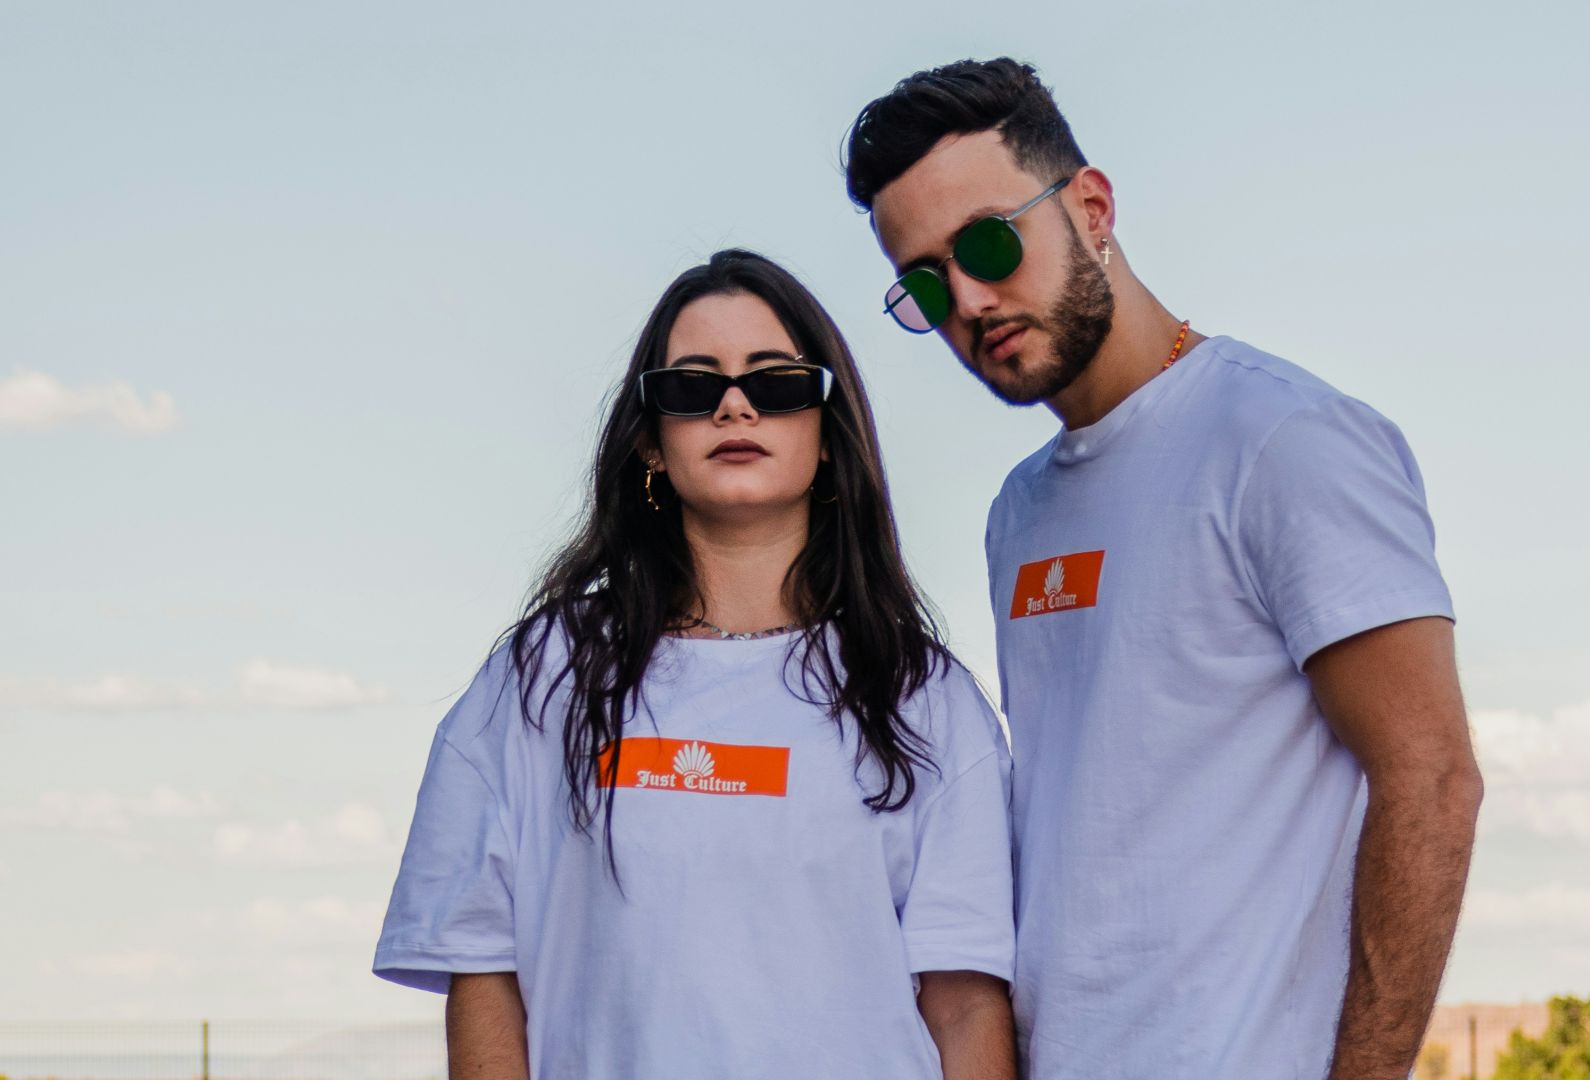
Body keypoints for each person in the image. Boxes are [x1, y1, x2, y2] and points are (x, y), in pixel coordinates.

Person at [844, 59, 1483, 1079]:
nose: (967, 298)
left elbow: (1433, 779)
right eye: (924, 282)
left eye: (989, 243)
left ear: (1091, 207)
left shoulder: (1282, 439)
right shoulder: (1020, 510)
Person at [372, 250, 1017, 1079]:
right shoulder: (537, 683)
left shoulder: (925, 699)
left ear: (828, 437)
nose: (736, 405)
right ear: (650, 442)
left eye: (777, 382)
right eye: (693, 384)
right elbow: (485, 974)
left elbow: (964, 1001)